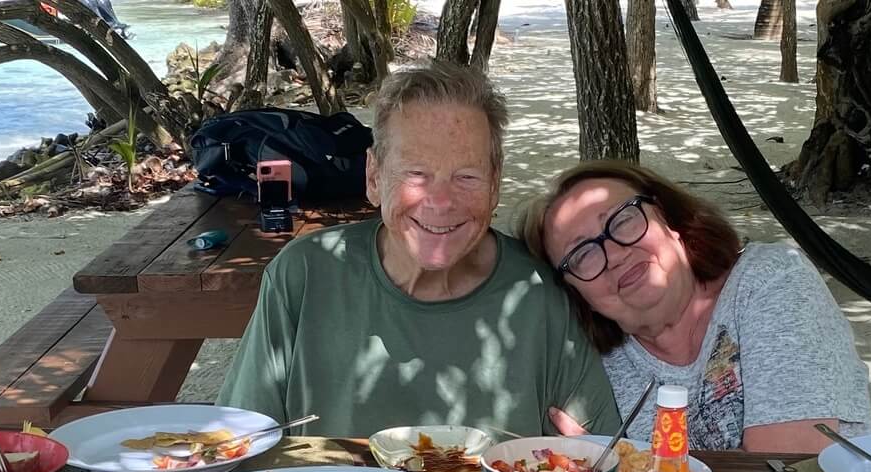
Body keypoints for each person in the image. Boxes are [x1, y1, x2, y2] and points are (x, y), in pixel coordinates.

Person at [217, 62, 621, 438]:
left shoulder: (540, 292)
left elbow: (598, 458)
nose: (440, 201)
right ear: (374, 177)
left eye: (466, 176)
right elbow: (241, 443)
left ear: (495, 183)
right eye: (416, 173)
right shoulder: (304, 275)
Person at [518, 160, 871, 453]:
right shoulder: (600, 367)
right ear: (576, 291)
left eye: (623, 219)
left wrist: (623, 468)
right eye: (582, 254)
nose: (613, 254)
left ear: (668, 218)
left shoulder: (770, 281)